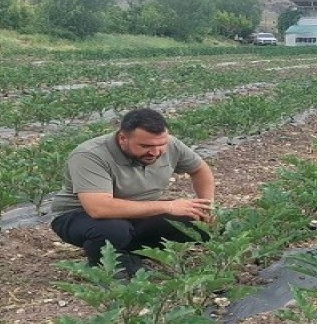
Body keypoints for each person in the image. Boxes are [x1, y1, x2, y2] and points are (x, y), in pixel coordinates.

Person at [50, 108, 215, 277]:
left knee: (195, 222)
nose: (155, 152)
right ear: (123, 138)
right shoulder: (90, 155)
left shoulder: (168, 144)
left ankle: (129, 252)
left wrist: (207, 206)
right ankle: (103, 264)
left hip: (138, 213)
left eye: (161, 145)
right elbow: (99, 208)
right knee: (114, 230)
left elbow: (200, 169)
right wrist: (168, 206)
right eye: (145, 146)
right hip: (82, 216)